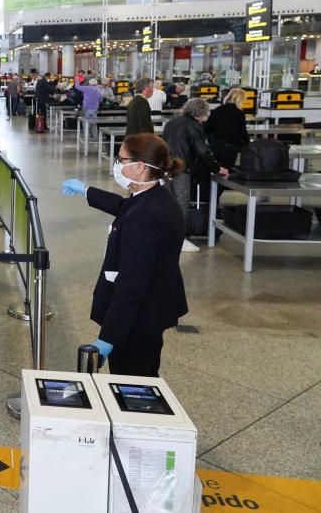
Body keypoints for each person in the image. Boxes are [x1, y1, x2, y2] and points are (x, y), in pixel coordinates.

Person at [60, 134, 187, 377]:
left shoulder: (145, 217)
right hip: (151, 309)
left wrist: (108, 338)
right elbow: (124, 208)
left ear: (139, 167)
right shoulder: (154, 196)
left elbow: (132, 284)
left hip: (138, 320)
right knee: (143, 374)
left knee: (132, 382)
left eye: (121, 159)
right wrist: (86, 191)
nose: (117, 164)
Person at [162, 98, 229, 253]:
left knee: (167, 202)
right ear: (201, 113)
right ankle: (180, 239)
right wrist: (217, 168)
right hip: (181, 168)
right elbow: (203, 150)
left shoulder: (172, 122)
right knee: (181, 203)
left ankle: (165, 235)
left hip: (165, 166)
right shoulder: (194, 126)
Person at [203, 88, 250, 170]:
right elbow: (243, 132)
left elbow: (207, 128)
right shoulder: (239, 113)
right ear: (239, 99)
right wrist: (248, 144)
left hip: (216, 146)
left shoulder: (217, 110)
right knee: (226, 172)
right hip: (230, 147)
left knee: (216, 170)